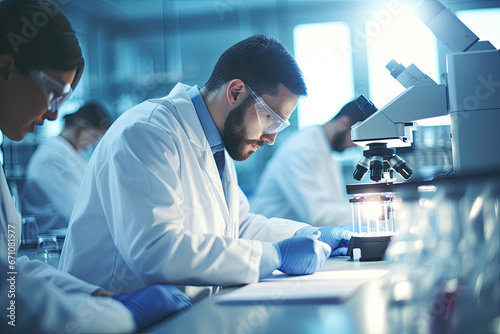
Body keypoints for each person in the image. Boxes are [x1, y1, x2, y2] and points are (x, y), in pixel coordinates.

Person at [59, 34, 353, 301]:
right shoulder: (146, 132)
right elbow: (156, 252)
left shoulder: (217, 143)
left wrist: (311, 234)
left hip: (180, 313)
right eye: (270, 120)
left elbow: (239, 226)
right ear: (235, 92)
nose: (272, 138)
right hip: (114, 317)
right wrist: (275, 256)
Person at [0, 1, 190, 332]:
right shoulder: (50, 157)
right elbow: (10, 300)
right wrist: (119, 316)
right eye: (52, 93)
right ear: (5, 68)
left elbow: (12, 271)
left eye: (61, 101)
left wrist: (99, 297)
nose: (53, 114)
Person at [250, 101, 367, 226]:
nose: (355, 147)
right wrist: (372, 213)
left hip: (302, 236)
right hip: (274, 239)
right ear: (344, 122)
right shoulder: (302, 149)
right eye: (357, 138)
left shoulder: (324, 147)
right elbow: (319, 216)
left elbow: (334, 203)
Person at [22, 101, 113, 233]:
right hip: (54, 241)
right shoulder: (51, 159)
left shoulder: (73, 153)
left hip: (73, 234)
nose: (93, 143)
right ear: (81, 127)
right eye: (95, 136)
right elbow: (77, 212)